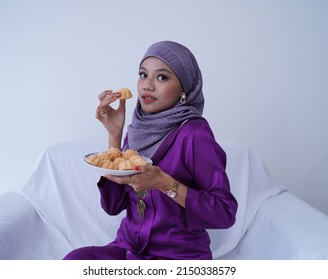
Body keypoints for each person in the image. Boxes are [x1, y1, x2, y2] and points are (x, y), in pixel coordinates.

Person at [63, 40, 237, 260]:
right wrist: (114, 137)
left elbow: (225, 213)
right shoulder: (137, 131)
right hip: (129, 249)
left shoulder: (194, 134)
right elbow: (113, 207)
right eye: (143, 74)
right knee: (75, 261)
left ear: (184, 89)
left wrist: (166, 184)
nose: (147, 85)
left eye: (162, 77)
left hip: (177, 257)